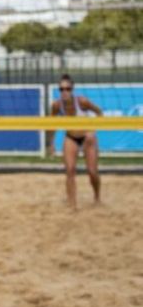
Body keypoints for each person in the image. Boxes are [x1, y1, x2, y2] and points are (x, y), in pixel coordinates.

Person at [46, 74, 102, 210]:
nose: (64, 91)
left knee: (92, 172)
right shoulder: (56, 105)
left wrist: (92, 130)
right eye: (61, 89)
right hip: (71, 137)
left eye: (67, 89)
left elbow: (99, 112)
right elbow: (50, 125)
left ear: (72, 89)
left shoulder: (82, 101)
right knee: (70, 170)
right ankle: (72, 204)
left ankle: (97, 197)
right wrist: (50, 144)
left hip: (87, 136)